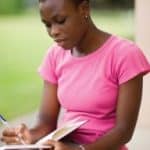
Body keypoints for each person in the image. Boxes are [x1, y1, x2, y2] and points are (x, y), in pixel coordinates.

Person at [1, 0, 150, 149]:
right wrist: (30, 135)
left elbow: (124, 131)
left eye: (60, 21)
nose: (53, 31)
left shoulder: (124, 55)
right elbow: (46, 123)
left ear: (84, 9)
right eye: (47, 24)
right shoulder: (54, 56)